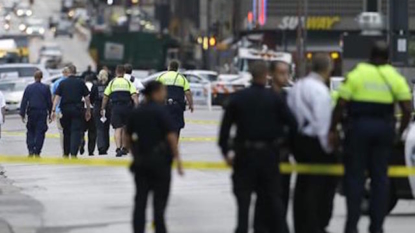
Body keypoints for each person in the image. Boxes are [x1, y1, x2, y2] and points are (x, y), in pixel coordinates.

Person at [329, 41, 412, 233]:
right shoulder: (393, 77)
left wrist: (333, 128)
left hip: (358, 129)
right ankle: (377, 226)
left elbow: (341, 104)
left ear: (370, 55)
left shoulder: (357, 74)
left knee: (355, 178)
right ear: (388, 57)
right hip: (383, 130)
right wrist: (399, 132)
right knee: (380, 180)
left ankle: (352, 225)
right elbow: (407, 108)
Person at [219, 61, 297, 233]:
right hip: (269, 157)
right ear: (266, 75)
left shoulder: (238, 98)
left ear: (251, 75)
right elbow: (293, 124)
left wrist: (226, 152)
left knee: (243, 205)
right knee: (273, 202)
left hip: (244, 156)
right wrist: (285, 147)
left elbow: (224, 129)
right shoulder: (275, 99)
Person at [287, 53, 337, 233]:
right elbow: (322, 123)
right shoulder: (320, 91)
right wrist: (327, 148)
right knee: (319, 187)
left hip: (298, 141)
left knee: (302, 184)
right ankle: (316, 225)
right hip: (315, 143)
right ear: (327, 69)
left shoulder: (297, 87)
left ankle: (301, 225)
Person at [125, 80, 184, 233]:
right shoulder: (162, 112)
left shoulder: (137, 111)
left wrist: (135, 154)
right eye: (163, 91)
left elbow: (127, 137)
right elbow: (171, 137)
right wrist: (178, 160)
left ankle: (138, 230)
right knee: (159, 203)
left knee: (140, 201)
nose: (165, 94)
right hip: (160, 162)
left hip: (141, 161)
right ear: (155, 93)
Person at [268, 60, 293, 230]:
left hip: (283, 154)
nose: (284, 77)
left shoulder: (289, 98)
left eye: (287, 73)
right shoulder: (265, 97)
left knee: (283, 194)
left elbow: (294, 126)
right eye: (281, 73)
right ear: (271, 74)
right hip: (266, 155)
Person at [52, 65, 92, 158]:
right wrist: (88, 110)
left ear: (68, 72)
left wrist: (53, 110)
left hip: (65, 110)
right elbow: (87, 98)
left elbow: (57, 97)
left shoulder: (62, 83)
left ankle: (66, 153)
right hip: (77, 110)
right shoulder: (81, 83)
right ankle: (74, 153)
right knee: (76, 132)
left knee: (66, 131)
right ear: (75, 72)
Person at [101, 65, 139, 157]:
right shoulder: (128, 82)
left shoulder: (112, 82)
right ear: (124, 72)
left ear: (116, 72)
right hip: (127, 108)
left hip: (116, 108)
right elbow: (134, 96)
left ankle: (118, 148)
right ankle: (124, 148)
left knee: (117, 128)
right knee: (126, 128)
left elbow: (105, 97)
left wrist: (102, 108)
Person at [20, 71, 53, 157]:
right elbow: (49, 102)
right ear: (41, 77)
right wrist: (50, 113)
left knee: (30, 131)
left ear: (34, 77)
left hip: (31, 112)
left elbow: (24, 101)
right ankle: (37, 151)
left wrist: (22, 113)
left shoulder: (29, 88)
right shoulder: (45, 88)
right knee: (40, 132)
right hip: (42, 112)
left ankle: (30, 149)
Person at [156, 60, 194, 137]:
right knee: (177, 126)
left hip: (163, 106)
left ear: (169, 67)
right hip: (177, 106)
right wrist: (191, 104)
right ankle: (174, 143)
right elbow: (187, 93)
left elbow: (155, 90)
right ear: (177, 68)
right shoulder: (182, 78)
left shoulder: (161, 77)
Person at [90, 70, 111, 155]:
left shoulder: (95, 85)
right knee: (106, 128)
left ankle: (101, 147)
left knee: (99, 128)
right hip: (108, 107)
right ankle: (106, 146)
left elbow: (91, 97)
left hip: (98, 107)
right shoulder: (109, 85)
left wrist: (94, 104)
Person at [51, 67, 70, 153]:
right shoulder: (72, 82)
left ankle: (64, 150)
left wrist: (53, 110)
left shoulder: (56, 83)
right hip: (70, 109)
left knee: (62, 131)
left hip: (59, 110)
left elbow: (53, 97)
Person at [80, 75, 97, 156]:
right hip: (92, 109)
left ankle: (81, 141)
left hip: (82, 109)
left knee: (81, 129)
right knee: (92, 131)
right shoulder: (95, 86)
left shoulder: (81, 86)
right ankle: (91, 151)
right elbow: (96, 98)